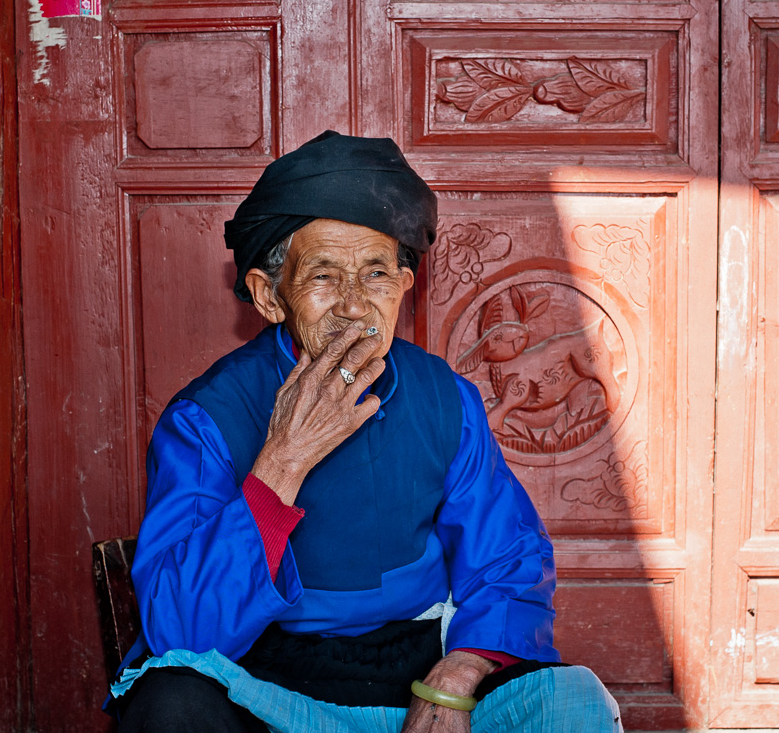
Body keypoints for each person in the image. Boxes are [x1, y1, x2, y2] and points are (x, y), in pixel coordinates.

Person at [104, 131, 621, 732]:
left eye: (376, 273)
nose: (353, 306)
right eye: (323, 276)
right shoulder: (206, 418)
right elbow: (179, 627)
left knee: (570, 703)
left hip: (419, 679)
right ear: (269, 296)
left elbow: (507, 558)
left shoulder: (443, 398)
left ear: (404, 286)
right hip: (264, 683)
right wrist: (281, 462)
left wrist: (463, 670)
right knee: (170, 705)